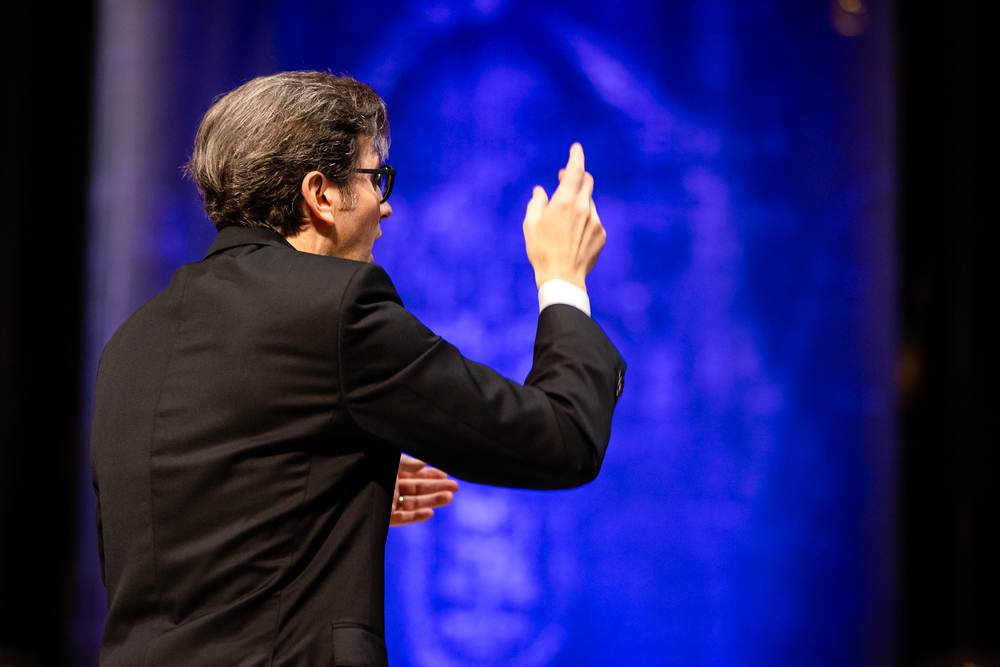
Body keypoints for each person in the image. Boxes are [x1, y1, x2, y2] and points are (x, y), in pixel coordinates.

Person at [90, 71, 625, 667]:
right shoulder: (334, 307)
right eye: (376, 177)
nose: (385, 205)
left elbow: (194, 522)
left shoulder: (132, 341)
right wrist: (563, 278)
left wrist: (331, 482)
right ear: (320, 194)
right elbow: (560, 438)